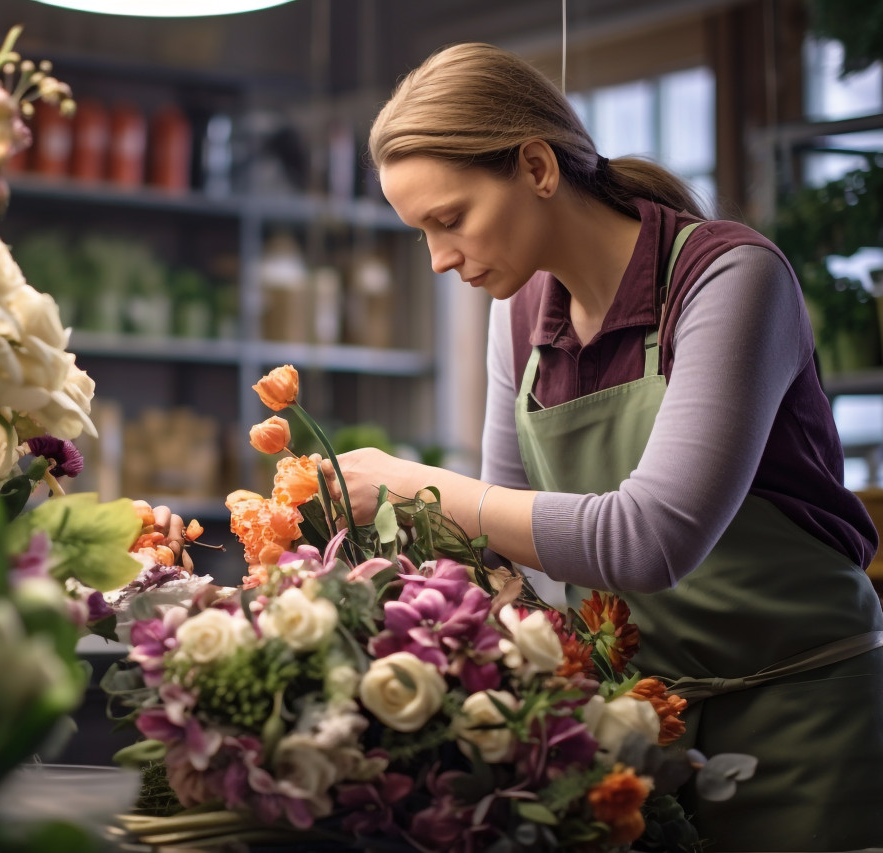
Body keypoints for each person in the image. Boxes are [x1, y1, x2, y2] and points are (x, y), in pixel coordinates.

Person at [322, 42, 883, 851]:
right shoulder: (518, 317)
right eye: (422, 234)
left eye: (450, 219)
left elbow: (651, 540)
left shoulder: (729, 280)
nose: (442, 258)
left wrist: (414, 488)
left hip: (804, 722)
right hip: (637, 727)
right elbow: (514, 558)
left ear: (538, 168)